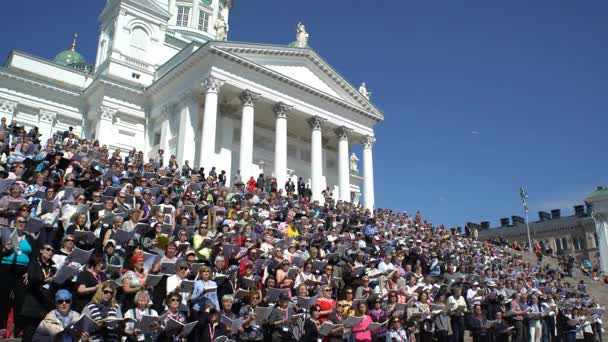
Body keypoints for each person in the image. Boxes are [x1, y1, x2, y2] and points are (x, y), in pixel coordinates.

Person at [21, 243, 56, 342]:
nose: (50, 252)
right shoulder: (34, 263)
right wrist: (45, 280)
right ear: (41, 250)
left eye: (52, 251)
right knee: (29, 334)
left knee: (42, 336)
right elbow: (32, 278)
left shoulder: (52, 267)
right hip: (33, 304)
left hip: (45, 304)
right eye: (48, 249)